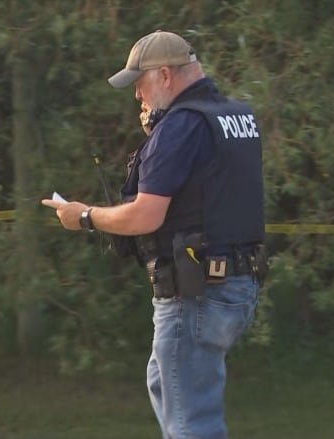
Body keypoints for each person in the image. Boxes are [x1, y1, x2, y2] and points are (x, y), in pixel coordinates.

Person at [42, 30, 267, 439]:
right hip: (238, 285)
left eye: (139, 84)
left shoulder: (181, 126)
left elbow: (146, 217)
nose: (137, 97)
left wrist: (86, 216)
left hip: (194, 295)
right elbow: (209, 193)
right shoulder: (233, 116)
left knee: (190, 425)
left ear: (165, 75)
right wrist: (158, 139)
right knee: (163, 382)